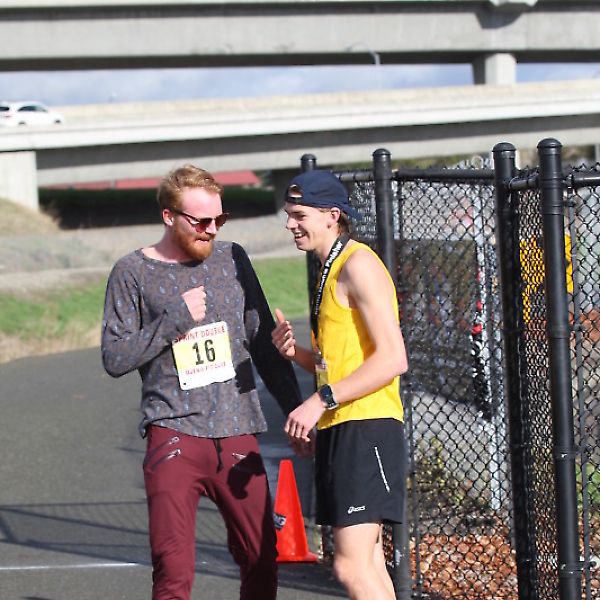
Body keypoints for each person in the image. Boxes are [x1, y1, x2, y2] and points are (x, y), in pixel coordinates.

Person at [101, 165, 303, 600]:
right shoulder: (132, 271)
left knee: (261, 558)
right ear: (169, 216)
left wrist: (296, 410)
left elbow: (261, 340)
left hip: (236, 429)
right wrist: (174, 318)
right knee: (173, 569)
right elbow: (114, 357)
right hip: (174, 432)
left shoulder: (233, 259)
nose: (211, 230)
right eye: (201, 221)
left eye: (219, 220)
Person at [272, 170, 409, 600]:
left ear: (333, 215)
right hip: (344, 424)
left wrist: (319, 401)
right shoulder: (329, 269)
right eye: (289, 215)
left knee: (351, 566)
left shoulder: (358, 264)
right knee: (367, 564)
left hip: (367, 426)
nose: (290, 224)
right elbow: (339, 365)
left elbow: (393, 358)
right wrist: (295, 354)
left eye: (299, 215)